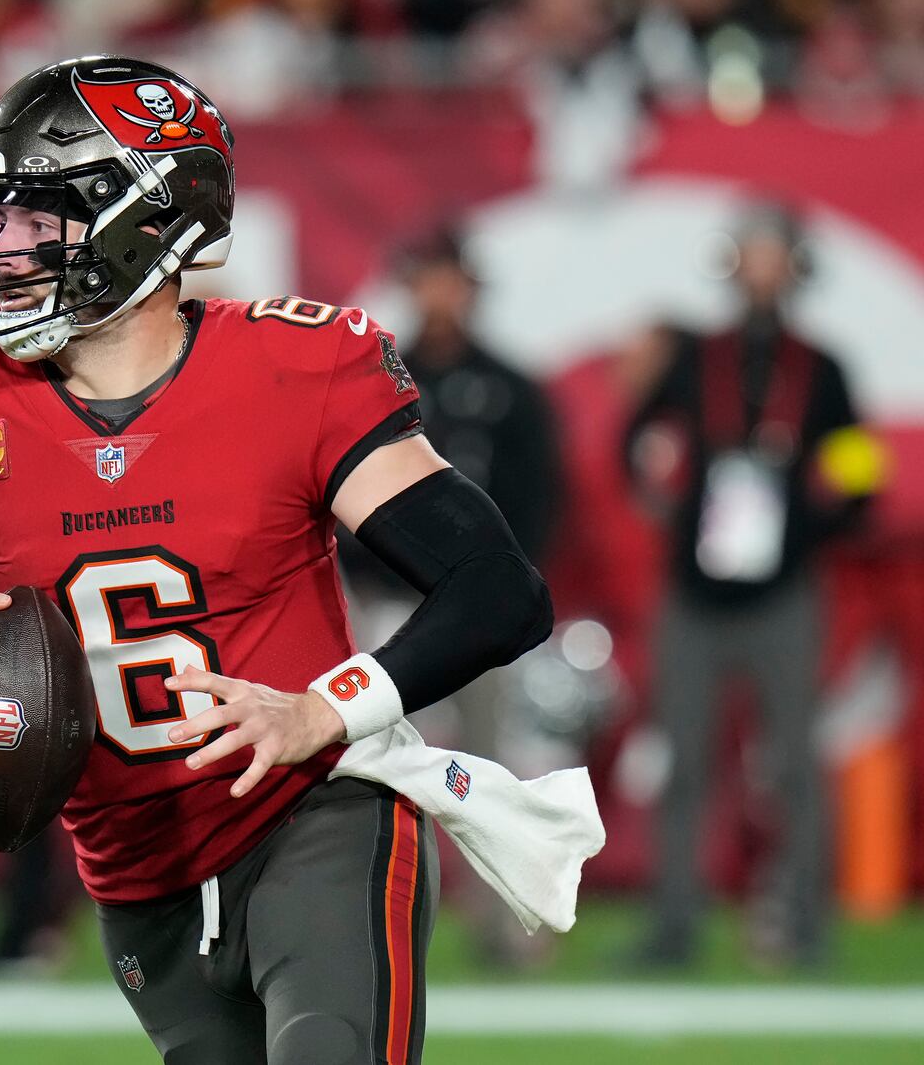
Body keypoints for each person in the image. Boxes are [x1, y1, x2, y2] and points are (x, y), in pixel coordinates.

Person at [0, 56, 556, 1064]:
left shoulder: (290, 371)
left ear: (141, 214)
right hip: (137, 873)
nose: (0, 249)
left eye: (34, 217)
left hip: (315, 808)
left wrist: (321, 707)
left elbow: (497, 588)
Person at [625, 200, 881, 969]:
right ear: (734, 265)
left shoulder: (822, 366)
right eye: (753, 254)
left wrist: (813, 530)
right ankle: (674, 926)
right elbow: (633, 436)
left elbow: (862, 464)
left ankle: (805, 924)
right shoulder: (695, 357)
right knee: (685, 762)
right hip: (695, 594)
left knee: (796, 764)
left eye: (776, 255)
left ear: (795, 268)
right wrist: (671, 507)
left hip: (783, 595)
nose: (763, 269)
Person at [339, 224, 563, 967]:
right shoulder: (372, 376)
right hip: (389, 601)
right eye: (428, 277)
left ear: (469, 287)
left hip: (472, 607)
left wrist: (503, 583)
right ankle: (373, 924)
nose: (439, 294)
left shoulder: (509, 386)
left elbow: (537, 495)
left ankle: (509, 929)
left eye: (450, 279)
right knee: (375, 765)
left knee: (488, 765)